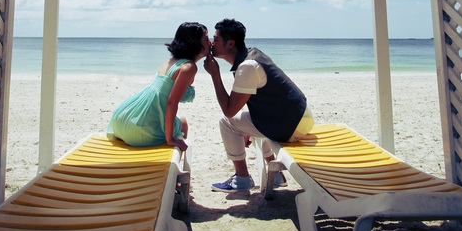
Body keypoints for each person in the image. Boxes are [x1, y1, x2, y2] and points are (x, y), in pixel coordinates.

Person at [204, 18, 314, 191]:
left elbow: (229, 111)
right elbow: (256, 98)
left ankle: (241, 179)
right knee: (254, 123)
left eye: (216, 39)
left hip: (289, 125)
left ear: (230, 43)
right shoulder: (253, 54)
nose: (211, 43)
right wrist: (249, 130)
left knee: (226, 122)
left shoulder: (247, 67)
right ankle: (276, 175)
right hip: (300, 116)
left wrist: (214, 74)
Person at [107, 22, 210, 151]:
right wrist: (170, 139)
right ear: (195, 43)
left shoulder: (171, 61)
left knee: (179, 121)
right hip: (139, 130)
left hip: (121, 119)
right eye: (206, 39)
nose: (210, 42)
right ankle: (177, 168)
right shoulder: (188, 68)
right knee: (182, 123)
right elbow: (172, 102)